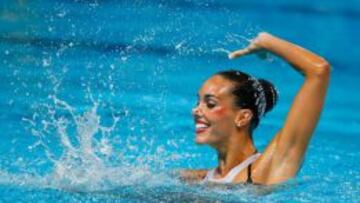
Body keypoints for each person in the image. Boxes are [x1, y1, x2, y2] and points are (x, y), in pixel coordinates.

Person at [181, 32, 330, 185]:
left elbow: (319, 71)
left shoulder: (269, 169)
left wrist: (267, 43)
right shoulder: (199, 178)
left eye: (210, 104)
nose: (195, 111)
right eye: (198, 103)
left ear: (242, 117)